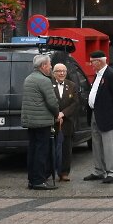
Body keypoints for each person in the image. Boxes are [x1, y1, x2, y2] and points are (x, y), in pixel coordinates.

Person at [84, 49, 113, 184]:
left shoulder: (111, 75)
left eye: (92, 62)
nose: (90, 64)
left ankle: (112, 172)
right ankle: (99, 170)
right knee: (96, 144)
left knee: (107, 145)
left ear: (99, 62)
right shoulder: (98, 75)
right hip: (95, 113)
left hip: (107, 115)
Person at [21, 53, 60, 190]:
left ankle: (32, 180)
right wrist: (57, 114)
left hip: (31, 121)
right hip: (42, 121)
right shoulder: (44, 80)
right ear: (43, 66)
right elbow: (52, 102)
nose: (51, 67)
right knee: (41, 152)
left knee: (33, 150)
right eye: (49, 65)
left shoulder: (29, 78)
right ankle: (39, 180)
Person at [51, 60, 80, 182]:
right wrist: (56, 115)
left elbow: (75, 103)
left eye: (64, 71)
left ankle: (64, 173)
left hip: (67, 122)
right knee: (52, 149)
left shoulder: (72, 85)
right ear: (54, 73)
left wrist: (63, 114)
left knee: (66, 149)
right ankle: (50, 171)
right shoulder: (48, 85)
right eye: (59, 71)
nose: (62, 73)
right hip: (52, 122)